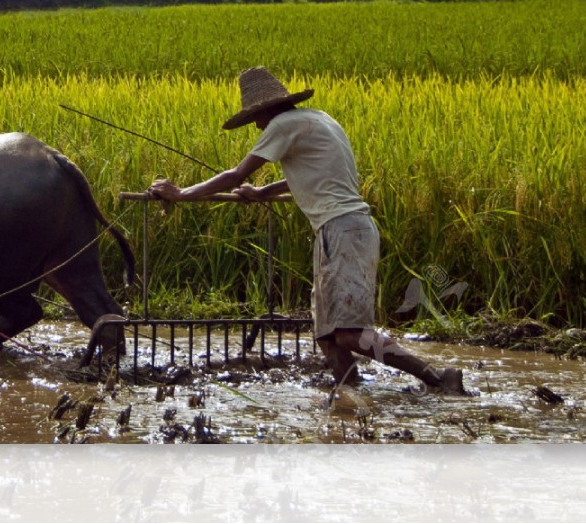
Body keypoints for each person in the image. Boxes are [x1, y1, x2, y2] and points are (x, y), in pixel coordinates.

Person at [147, 66, 464, 396]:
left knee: (351, 334)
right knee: (327, 334)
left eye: (256, 117)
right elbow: (308, 173)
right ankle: (348, 394)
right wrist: (263, 193)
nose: (257, 124)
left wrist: (181, 193)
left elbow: (236, 175)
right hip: (339, 231)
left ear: (267, 109)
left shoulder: (283, 124)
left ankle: (438, 377)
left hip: (344, 231)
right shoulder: (318, 119)